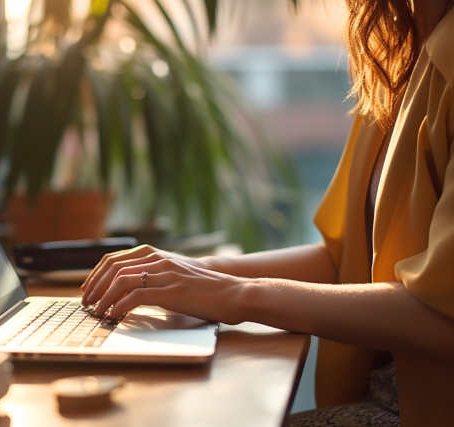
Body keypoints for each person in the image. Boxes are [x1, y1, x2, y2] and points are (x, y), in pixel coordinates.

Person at [79, 1, 454, 426]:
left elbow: (442, 318)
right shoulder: (396, 57)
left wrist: (238, 296)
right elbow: (344, 261)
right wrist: (199, 274)